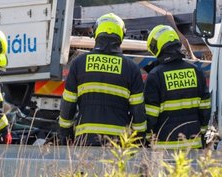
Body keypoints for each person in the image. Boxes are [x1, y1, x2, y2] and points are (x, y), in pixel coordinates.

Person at [58, 13, 146, 145]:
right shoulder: (131, 67)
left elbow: (68, 104)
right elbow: (138, 110)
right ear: (121, 35)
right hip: (118, 142)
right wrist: (139, 139)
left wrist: (65, 135)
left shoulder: (79, 63)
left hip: (85, 140)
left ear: (96, 33)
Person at [143, 24, 210, 150]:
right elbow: (205, 108)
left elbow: (150, 115)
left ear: (156, 47)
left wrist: (147, 138)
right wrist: (201, 131)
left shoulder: (155, 75)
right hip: (193, 145)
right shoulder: (196, 71)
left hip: (164, 148)